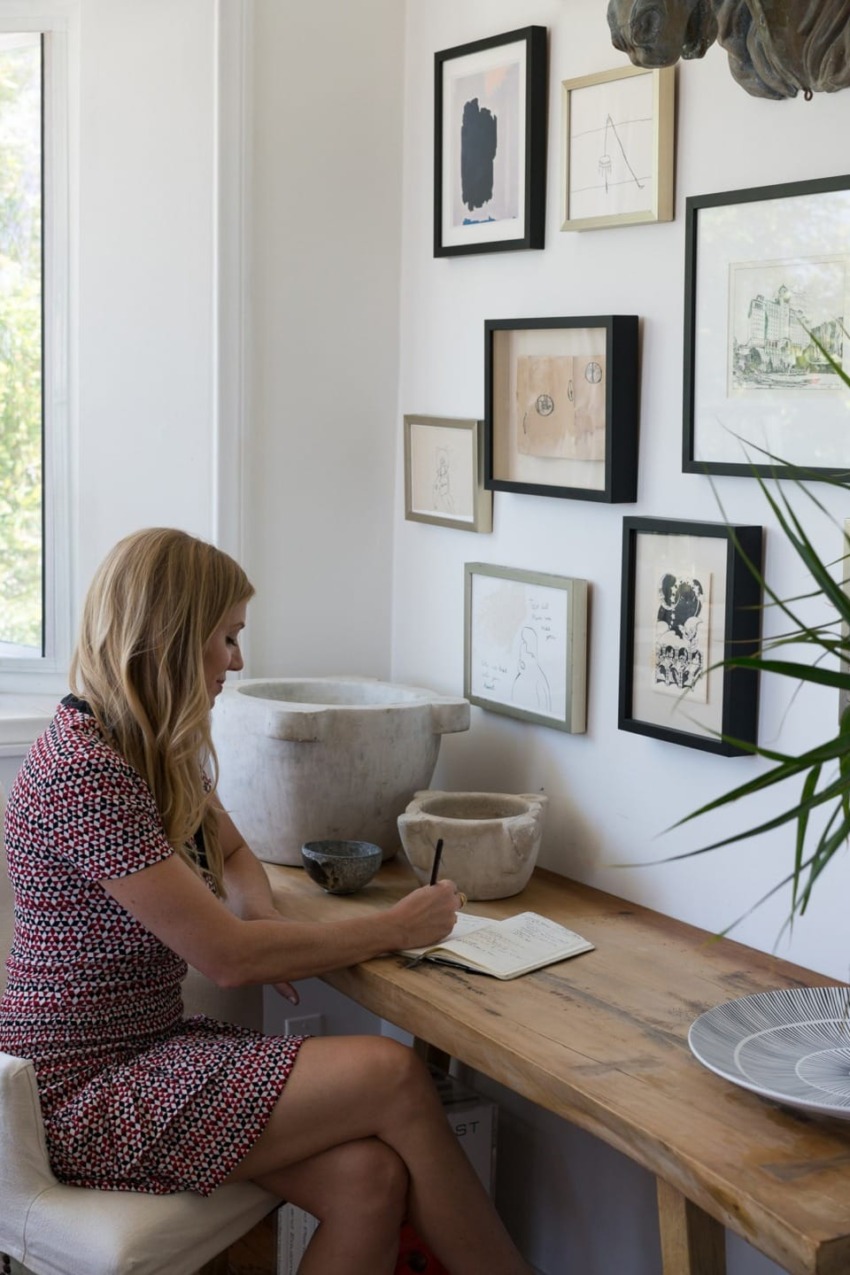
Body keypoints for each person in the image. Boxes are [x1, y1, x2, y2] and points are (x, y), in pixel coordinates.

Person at [0, 527, 532, 1275]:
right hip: (80, 1092)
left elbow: (235, 851)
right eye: (227, 637)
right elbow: (225, 960)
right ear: (174, 638)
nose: (238, 660)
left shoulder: (149, 748)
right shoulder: (85, 773)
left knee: (368, 1179)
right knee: (394, 1073)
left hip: (149, 1047)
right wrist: (394, 927)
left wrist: (265, 913)